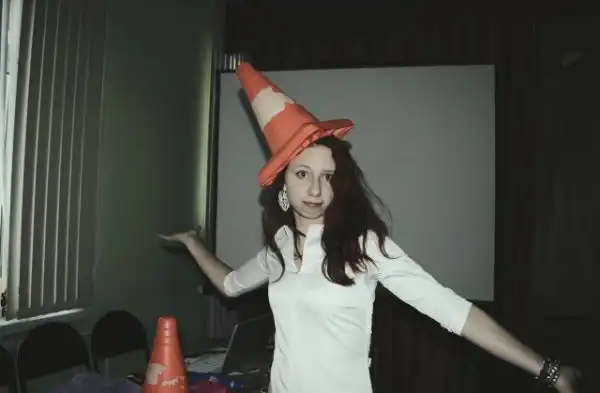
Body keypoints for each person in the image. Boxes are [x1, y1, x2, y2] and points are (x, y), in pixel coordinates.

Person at [160, 62, 580, 393]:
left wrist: (548, 369)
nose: (316, 189)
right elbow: (231, 284)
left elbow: (454, 313)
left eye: (327, 176)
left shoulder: (363, 246)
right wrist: (193, 243)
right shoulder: (281, 244)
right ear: (282, 183)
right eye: (302, 174)